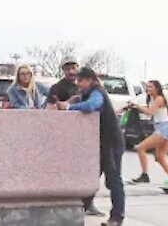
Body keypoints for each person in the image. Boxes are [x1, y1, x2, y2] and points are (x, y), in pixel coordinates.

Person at [57, 67, 125, 226]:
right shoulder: (86, 93)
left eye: (80, 80)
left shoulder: (97, 92)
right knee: (90, 177)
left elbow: (91, 106)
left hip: (111, 143)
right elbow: (81, 101)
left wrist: (68, 108)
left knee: (114, 181)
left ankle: (117, 217)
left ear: (89, 80)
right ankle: (81, 210)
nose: (78, 84)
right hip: (101, 144)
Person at [46, 55, 104, 216]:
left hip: (88, 135)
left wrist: (71, 104)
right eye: (67, 68)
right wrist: (63, 106)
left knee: (90, 170)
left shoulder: (87, 87)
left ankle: (88, 203)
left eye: (73, 67)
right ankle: (62, 203)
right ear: (63, 70)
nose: (71, 71)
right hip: (66, 134)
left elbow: (94, 105)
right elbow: (50, 110)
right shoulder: (56, 88)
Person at [128, 80, 168, 194]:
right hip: (165, 129)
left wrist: (137, 106)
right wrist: (134, 107)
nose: (148, 89)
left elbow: (150, 112)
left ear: (157, 88)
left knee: (140, 148)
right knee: (160, 158)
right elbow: (149, 110)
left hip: (163, 129)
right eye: (147, 87)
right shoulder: (153, 99)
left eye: (150, 87)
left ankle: (144, 175)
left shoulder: (159, 99)